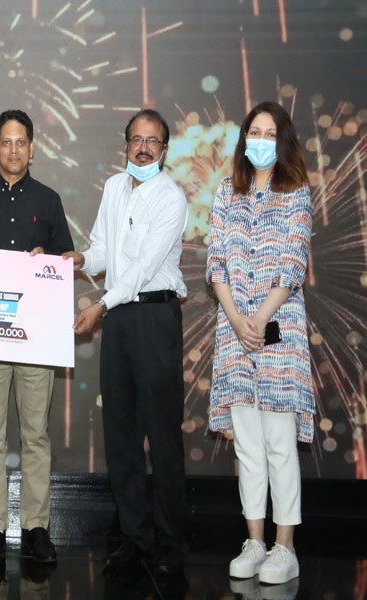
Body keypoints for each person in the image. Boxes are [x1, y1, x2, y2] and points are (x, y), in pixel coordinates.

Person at [68, 108, 188, 575]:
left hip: (154, 316)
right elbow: (102, 250)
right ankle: (136, 540)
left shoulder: (171, 199)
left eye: (153, 141)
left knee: (161, 437)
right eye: (136, 139)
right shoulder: (115, 187)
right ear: (125, 144)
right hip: (116, 320)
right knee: (120, 435)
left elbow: (141, 270)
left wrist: (100, 305)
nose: (143, 147)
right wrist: (78, 259)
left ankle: (171, 545)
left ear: (164, 150)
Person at [0, 109, 74, 565]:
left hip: (35, 338)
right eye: (6, 141)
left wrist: (53, 260)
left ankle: (37, 529)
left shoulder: (50, 198)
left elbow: (68, 260)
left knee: (36, 435)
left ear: (32, 147)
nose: (13, 149)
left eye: (21, 142)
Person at [206, 101, 314, 585]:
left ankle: (284, 547)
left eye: (271, 133)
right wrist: (236, 318)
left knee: (278, 445)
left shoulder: (296, 194)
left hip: (279, 335)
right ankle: (254, 540)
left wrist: (259, 318)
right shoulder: (227, 193)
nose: (261, 140)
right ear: (244, 138)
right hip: (233, 337)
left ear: (283, 140)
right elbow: (216, 263)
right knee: (246, 446)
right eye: (255, 131)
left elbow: (293, 264)